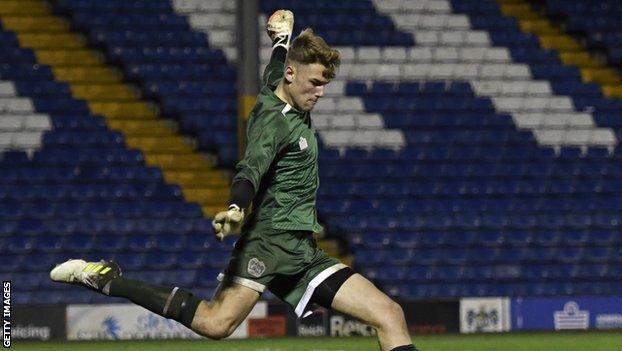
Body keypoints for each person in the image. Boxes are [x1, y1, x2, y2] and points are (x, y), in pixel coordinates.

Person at [50, 9, 417, 351]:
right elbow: (249, 170)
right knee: (215, 324)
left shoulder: (281, 83)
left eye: (324, 85)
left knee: (389, 314)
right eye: (316, 83)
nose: (320, 93)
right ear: (293, 75)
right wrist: (236, 207)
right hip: (268, 245)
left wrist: (281, 37)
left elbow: (274, 65)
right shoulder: (271, 124)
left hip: (301, 251)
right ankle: (105, 278)